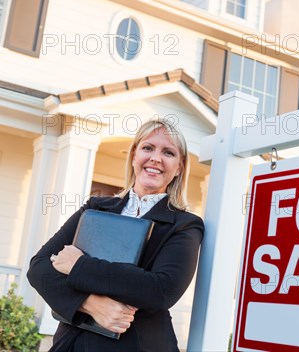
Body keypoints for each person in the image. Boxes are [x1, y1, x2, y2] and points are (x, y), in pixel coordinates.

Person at [27, 118, 204, 351]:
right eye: (148, 148)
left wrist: (79, 265)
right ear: (133, 156)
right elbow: (39, 268)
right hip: (73, 342)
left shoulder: (184, 224)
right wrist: (89, 304)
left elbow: (161, 290)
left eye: (168, 152)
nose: (155, 158)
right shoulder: (95, 208)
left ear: (179, 167)